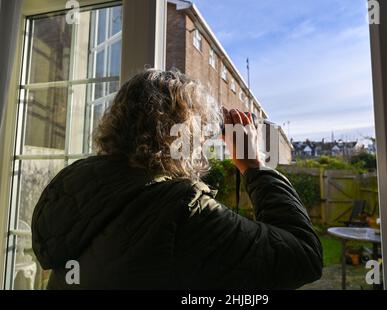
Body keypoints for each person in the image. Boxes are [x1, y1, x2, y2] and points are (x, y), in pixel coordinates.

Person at [32, 69, 322, 289]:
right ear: (181, 133)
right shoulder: (179, 209)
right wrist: (254, 165)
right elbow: (303, 256)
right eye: (200, 129)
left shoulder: (76, 186)